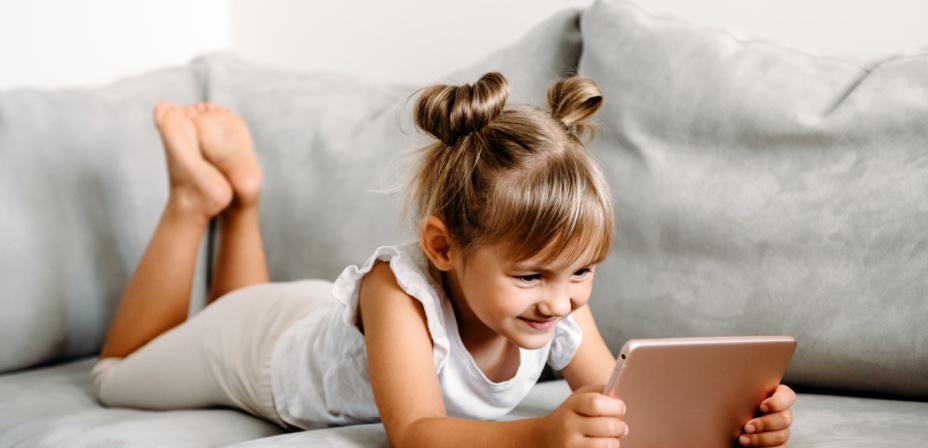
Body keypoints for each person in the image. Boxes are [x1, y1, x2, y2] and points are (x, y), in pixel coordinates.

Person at [93, 72, 796, 447]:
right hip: (259, 350)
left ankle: (241, 202)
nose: (560, 302)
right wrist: (542, 438)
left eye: (581, 271)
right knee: (113, 376)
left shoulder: (554, 304)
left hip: (311, 322)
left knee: (234, 305)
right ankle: (193, 201)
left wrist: (735, 419)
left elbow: (623, 404)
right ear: (442, 248)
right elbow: (418, 433)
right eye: (531, 277)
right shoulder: (393, 292)